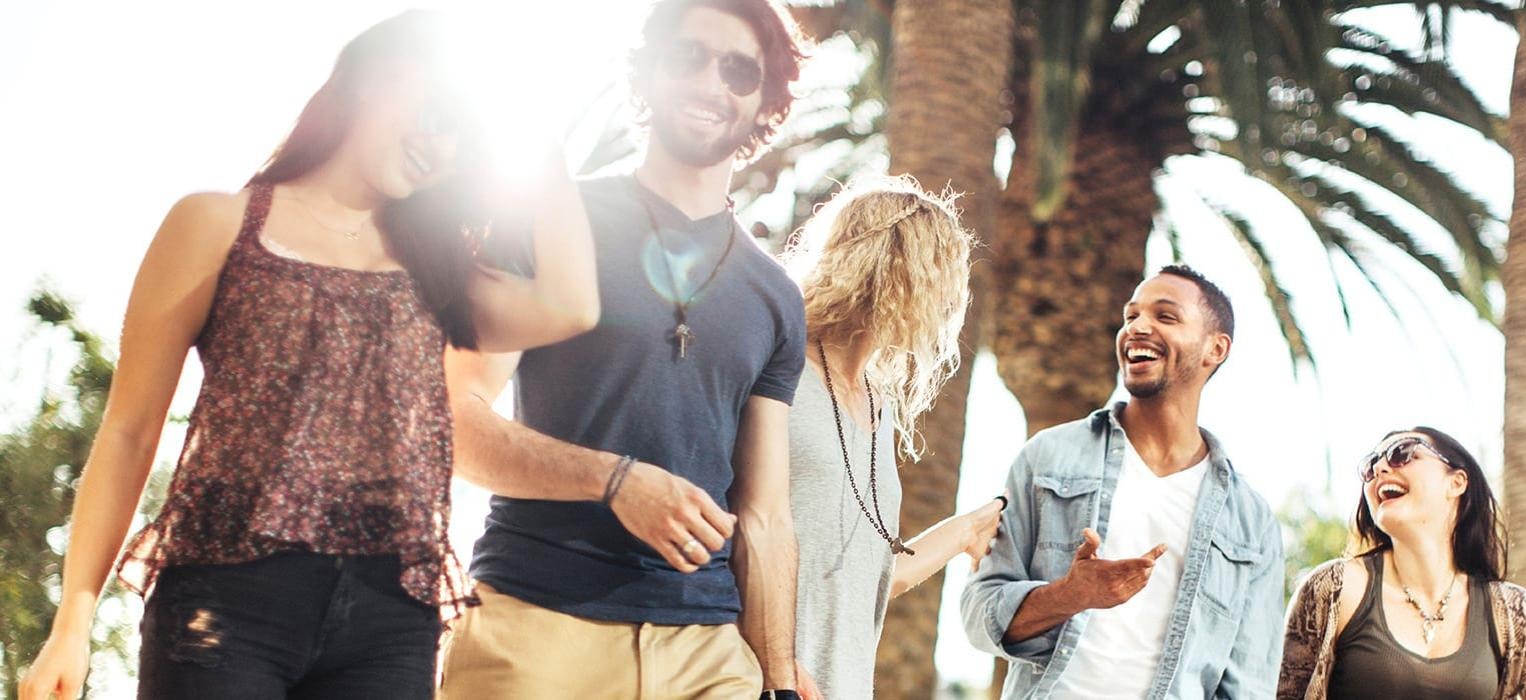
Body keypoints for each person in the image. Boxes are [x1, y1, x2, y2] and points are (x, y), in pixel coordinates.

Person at [17, 10, 599, 700]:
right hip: (225, 599)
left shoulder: (442, 274)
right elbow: (128, 430)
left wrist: (540, 144)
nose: (441, 147)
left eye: (462, 140)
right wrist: (74, 621)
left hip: (391, 618)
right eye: (438, 112)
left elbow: (572, 306)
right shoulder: (217, 224)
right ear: (376, 77)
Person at [434, 1, 815, 698]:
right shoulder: (545, 222)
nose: (711, 83)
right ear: (644, 74)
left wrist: (782, 680)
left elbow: (766, 515)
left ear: (765, 102)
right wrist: (613, 481)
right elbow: (451, 421)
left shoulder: (776, 298)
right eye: (687, 57)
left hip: (707, 651)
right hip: (536, 625)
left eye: (739, 71)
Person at [962, 265, 1285, 698]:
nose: (1137, 328)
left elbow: (1248, 684)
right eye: (1131, 316)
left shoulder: (1251, 521)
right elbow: (978, 613)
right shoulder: (1049, 456)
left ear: (1215, 348)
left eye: (1165, 317)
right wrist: (1068, 595)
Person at [781, 175, 1002, 698]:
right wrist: (770, 658)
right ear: (895, 267)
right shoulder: (779, 374)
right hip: (759, 681)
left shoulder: (876, 406)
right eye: (939, 274)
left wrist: (966, 529)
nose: (948, 301)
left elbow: (875, 577)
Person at [1277, 429, 1526, 699]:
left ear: (1456, 482)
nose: (1380, 468)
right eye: (1370, 466)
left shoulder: (1514, 611)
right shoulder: (1334, 590)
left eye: (1402, 453)